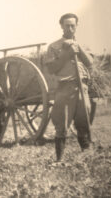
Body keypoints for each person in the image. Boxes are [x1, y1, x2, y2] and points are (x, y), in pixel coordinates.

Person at [45, 13, 94, 162]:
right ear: (61, 26)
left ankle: (87, 155)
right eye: (67, 25)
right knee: (62, 124)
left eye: (73, 25)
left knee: (83, 122)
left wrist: (78, 48)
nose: (70, 28)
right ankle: (59, 160)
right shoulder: (54, 47)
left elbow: (90, 63)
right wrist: (66, 54)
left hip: (82, 88)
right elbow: (52, 68)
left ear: (77, 26)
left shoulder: (82, 44)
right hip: (65, 88)